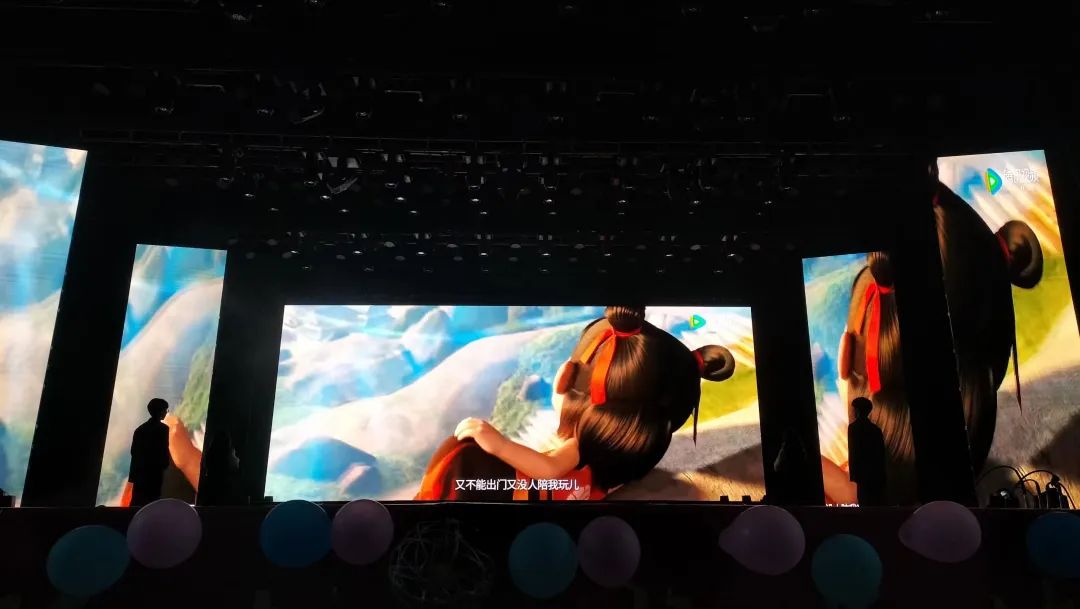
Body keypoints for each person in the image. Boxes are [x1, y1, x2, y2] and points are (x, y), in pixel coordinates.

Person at [415, 306, 736, 501]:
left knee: (462, 455)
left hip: (536, 494)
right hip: (558, 491)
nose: (562, 377)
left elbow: (548, 470)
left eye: (575, 374)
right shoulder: (617, 464)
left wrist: (497, 444)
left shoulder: (579, 448)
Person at [129, 398, 171, 506]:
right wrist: (164, 464)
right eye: (165, 410)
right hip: (154, 473)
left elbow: (134, 452)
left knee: (137, 502)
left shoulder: (140, 429)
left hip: (140, 474)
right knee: (152, 502)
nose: (166, 412)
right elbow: (163, 450)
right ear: (160, 411)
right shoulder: (163, 429)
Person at [848, 397, 886, 506]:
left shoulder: (853, 428)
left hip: (862, 474)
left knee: (864, 503)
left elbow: (853, 451)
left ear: (857, 411)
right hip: (875, 474)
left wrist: (854, 474)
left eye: (854, 409)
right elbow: (881, 454)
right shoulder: (876, 429)